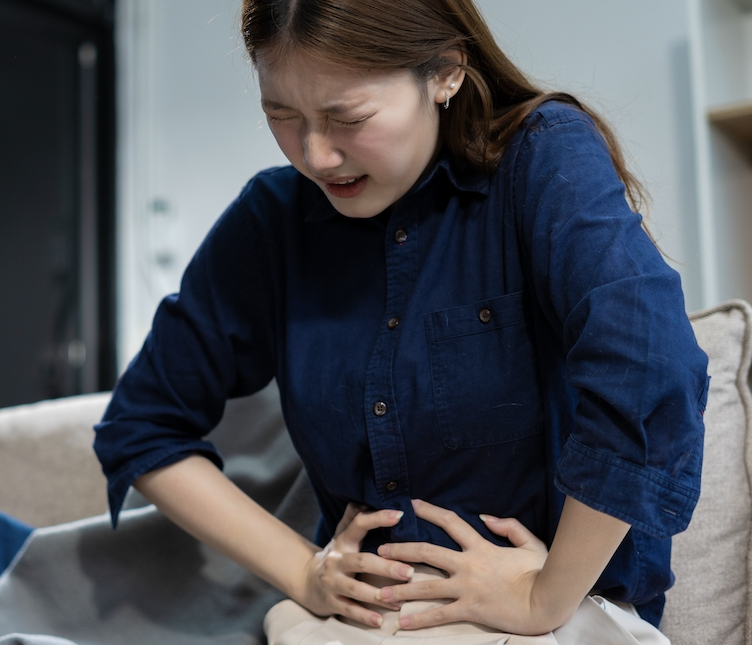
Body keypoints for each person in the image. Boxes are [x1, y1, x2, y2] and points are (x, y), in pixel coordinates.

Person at [94, 0, 709, 641]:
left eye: (346, 118)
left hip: (552, 625)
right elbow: (142, 426)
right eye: (281, 115)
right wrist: (305, 573)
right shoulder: (272, 222)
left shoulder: (543, 155)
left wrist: (543, 597)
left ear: (445, 72)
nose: (317, 155)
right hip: (360, 627)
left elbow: (647, 366)